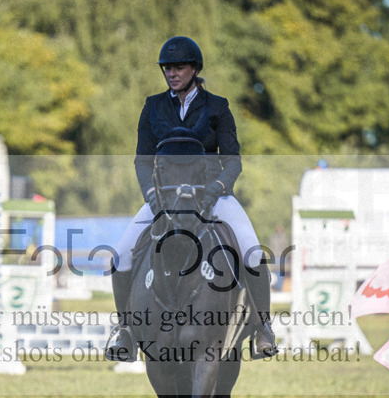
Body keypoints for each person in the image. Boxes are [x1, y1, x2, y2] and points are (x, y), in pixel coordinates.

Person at [106, 36, 277, 360]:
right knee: (120, 256)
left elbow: (233, 160)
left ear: (194, 69)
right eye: (167, 68)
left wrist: (216, 187)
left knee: (253, 252)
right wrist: (152, 195)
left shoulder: (217, 107)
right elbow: (143, 161)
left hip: (212, 196)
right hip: (165, 198)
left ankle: (262, 329)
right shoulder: (153, 106)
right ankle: (124, 330)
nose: (172, 73)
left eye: (178, 67)